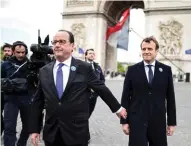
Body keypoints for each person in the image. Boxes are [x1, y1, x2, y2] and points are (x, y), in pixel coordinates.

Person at [29, 30, 127, 146]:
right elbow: (38, 101)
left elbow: (101, 88)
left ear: (72, 46)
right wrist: (35, 129)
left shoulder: (84, 68)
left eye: (62, 41)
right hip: (52, 133)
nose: (57, 45)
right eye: (55, 42)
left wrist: (118, 108)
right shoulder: (44, 71)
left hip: (76, 132)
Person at [120, 36, 177, 146]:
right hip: (136, 121)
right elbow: (125, 98)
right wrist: (124, 122)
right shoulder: (132, 70)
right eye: (144, 49)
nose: (146, 51)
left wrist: (171, 123)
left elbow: (170, 98)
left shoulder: (166, 70)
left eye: (150, 49)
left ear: (156, 51)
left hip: (158, 121)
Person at [1, 41, 36, 146]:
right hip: (11, 99)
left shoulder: (31, 64)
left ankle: (21, 143)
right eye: (18, 52)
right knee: (9, 127)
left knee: (28, 126)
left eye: (23, 52)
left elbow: (37, 83)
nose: (21, 55)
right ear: (13, 51)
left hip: (27, 98)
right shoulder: (5, 65)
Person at [85, 48, 105, 117]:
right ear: (86, 56)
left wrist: (98, 90)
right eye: (90, 53)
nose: (92, 55)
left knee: (89, 113)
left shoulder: (98, 67)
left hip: (94, 96)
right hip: (83, 95)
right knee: (82, 114)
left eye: (93, 54)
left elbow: (102, 80)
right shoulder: (81, 66)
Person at [1, 43, 13, 135]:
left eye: (8, 51)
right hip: (1, 93)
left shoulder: (15, 64)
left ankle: (9, 133)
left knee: (9, 118)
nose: (7, 52)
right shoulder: (1, 62)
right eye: (5, 51)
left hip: (11, 94)